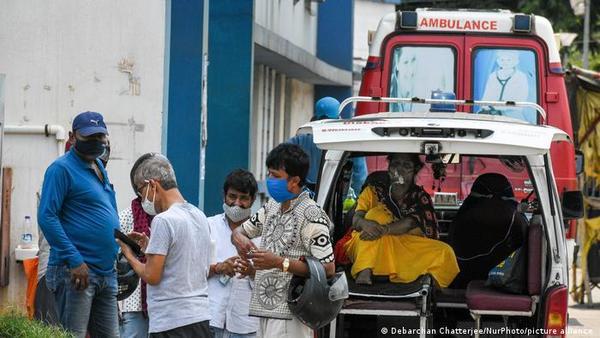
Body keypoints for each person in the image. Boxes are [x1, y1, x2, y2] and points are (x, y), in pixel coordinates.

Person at [231, 143, 335, 338]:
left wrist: (280, 263)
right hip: (263, 310)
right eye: (269, 174)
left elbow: (328, 268)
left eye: (275, 176)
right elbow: (239, 231)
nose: (269, 180)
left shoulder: (312, 215)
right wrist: (240, 240)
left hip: (291, 314)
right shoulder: (271, 207)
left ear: (294, 181)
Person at [38, 111, 119, 338]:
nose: (96, 142)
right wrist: (74, 260)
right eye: (89, 137)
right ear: (72, 137)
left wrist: (121, 239)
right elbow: (47, 216)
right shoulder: (61, 169)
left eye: (99, 137)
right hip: (76, 272)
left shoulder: (98, 167)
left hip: (106, 273)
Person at [118, 154, 211, 338]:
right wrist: (150, 248)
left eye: (140, 191)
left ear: (153, 184)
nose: (142, 199)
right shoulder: (199, 215)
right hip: (200, 317)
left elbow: (151, 276)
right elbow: (182, 259)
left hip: (171, 322)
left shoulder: (163, 220)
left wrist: (128, 253)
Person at [344, 153, 459, 287]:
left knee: (445, 252)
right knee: (376, 214)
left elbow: (410, 223)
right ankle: (364, 270)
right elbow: (356, 219)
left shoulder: (420, 197)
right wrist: (365, 224)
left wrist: (383, 230)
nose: (400, 169)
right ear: (389, 168)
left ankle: (427, 284)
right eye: (396, 164)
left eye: (406, 166)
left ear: (415, 170)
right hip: (367, 242)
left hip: (403, 248)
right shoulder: (373, 191)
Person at [208, 169, 260, 338]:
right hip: (211, 319)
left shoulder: (264, 234)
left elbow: (274, 280)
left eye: (243, 198)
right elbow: (191, 271)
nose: (237, 203)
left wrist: (251, 272)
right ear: (224, 196)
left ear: (252, 200)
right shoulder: (208, 226)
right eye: (232, 196)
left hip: (245, 324)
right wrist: (219, 268)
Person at [287, 96, 367, 193]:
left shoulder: (299, 140)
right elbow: (359, 176)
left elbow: (281, 163)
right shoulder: (349, 140)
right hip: (333, 199)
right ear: (338, 116)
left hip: (303, 197)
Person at [118, 153, 157, 338]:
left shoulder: (171, 217)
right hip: (134, 302)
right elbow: (116, 258)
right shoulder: (127, 216)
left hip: (161, 303)